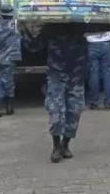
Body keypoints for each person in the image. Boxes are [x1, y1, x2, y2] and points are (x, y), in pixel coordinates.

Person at [23, 23, 88, 163]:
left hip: (76, 74)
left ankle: (65, 144)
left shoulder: (81, 25)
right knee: (56, 109)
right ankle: (56, 146)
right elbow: (35, 46)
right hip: (56, 74)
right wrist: (26, 31)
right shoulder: (50, 28)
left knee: (75, 110)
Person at [85, 24, 110, 110]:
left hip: (91, 43)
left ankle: (93, 102)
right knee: (107, 74)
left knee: (94, 73)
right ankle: (108, 103)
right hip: (106, 43)